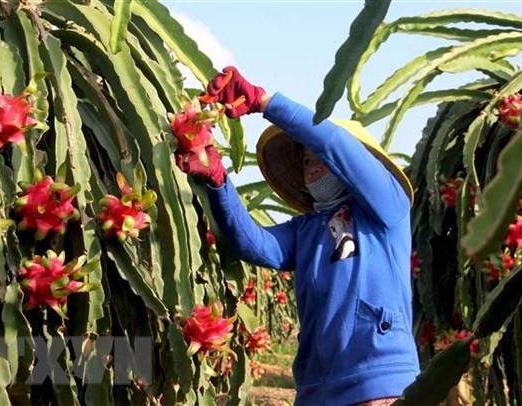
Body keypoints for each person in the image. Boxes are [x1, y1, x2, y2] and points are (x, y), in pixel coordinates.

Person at [175, 66, 420, 406]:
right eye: (306, 162)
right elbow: (252, 242)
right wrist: (218, 181)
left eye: (321, 159)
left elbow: (335, 144)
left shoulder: (387, 209)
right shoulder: (305, 230)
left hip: (379, 381)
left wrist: (265, 101)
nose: (314, 167)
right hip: (315, 389)